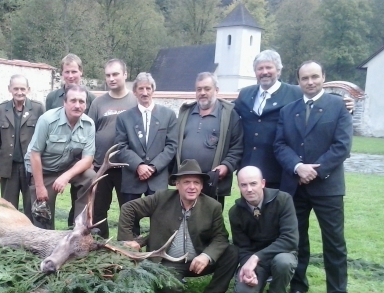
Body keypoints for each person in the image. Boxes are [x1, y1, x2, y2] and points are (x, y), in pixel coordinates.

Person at [274, 60, 353, 293]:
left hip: (328, 186)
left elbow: (342, 146)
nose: (310, 82)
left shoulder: (338, 106)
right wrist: (298, 167)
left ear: (323, 77)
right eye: (305, 78)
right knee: (297, 240)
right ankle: (298, 285)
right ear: (298, 81)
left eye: (314, 77)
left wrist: (315, 171)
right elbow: (280, 145)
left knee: (334, 242)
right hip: (295, 185)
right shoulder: (288, 110)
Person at [117, 159, 238, 293]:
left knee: (232, 252)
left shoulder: (213, 206)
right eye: (187, 182)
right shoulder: (161, 198)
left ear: (201, 186)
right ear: (177, 184)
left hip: (198, 262)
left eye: (197, 183)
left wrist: (206, 256)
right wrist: (128, 242)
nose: (192, 187)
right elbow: (129, 208)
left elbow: (221, 237)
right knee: (168, 292)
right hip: (168, 262)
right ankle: (174, 282)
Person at [235, 50, 354, 189]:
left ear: (278, 71)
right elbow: (231, 115)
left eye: (269, 67)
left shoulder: (296, 93)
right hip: (249, 168)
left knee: (279, 209)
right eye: (260, 68)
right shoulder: (245, 94)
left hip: (281, 168)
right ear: (255, 72)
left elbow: (323, 106)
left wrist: (348, 107)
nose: (264, 72)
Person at [229, 166, 298, 293]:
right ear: (238, 186)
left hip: (281, 253)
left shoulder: (283, 200)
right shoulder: (235, 212)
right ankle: (256, 289)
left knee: (283, 262)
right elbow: (242, 246)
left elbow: (289, 239)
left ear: (263, 183)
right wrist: (249, 268)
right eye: (244, 185)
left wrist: (256, 257)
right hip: (256, 261)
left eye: (253, 183)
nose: (249, 189)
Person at [25, 84, 96, 230]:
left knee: (90, 176)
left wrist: (66, 176)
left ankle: (80, 227)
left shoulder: (89, 124)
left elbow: (87, 159)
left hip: (65, 167)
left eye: (81, 101)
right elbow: (34, 154)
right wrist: (40, 187)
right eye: (73, 101)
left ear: (86, 104)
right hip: (42, 170)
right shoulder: (47, 120)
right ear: (64, 102)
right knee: (42, 216)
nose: (77, 105)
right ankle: (44, 242)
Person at [115, 72, 178, 236]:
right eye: (140, 89)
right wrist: (139, 166)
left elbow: (172, 146)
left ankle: (156, 254)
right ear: (134, 92)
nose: (145, 92)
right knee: (130, 220)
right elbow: (121, 147)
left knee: (160, 220)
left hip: (158, 178)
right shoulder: (124, 118)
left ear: (153, 90)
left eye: (148, 88)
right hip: (132, 177)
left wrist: (153, 167)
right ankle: (128, 252)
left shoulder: (168, 115)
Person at [176, 72, 243, 207]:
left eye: (207, 89)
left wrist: (226, 166)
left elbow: (237, 146)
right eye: (199, 89)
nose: (202, 93)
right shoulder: (186, 112)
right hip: (187, 180)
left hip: (213, 182)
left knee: (210, 223)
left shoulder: (229, 114)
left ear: (216, 90)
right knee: (183, 219)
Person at [45, 53, 96, 228]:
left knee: (82, 192)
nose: (71, 76)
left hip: (79, 159)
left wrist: (88, 160)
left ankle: (77, 228)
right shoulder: (52, 97)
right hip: (54, 157)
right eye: (67, 72)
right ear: (62, 73)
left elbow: (90, 129)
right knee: (45, 200)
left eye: (74, 71)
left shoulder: (90, 98)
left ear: (81, 72)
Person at [87, 59, 137, 238]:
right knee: (98, 211)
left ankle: (129, 248)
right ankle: (101, 248)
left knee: (130, 212)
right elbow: (88, 132)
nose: (111, 78)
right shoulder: (98, 103)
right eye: (108, 75)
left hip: (128, 168)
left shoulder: (135, 100)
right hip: (102, 167)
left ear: (125, 74)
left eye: (115, 74)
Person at [0, 75, 45, 219]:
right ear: (10, 89)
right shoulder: (1, 109)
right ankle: (9, 237)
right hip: (8, 167)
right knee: (8, 206)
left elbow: (44, 139)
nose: (19, 92)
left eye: (22, 88)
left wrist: (41, 167)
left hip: (30, 166)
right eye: (16, 88)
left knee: (31, 204)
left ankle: (30, 236)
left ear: (28, 89)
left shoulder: (38, 108)